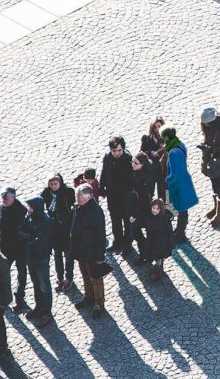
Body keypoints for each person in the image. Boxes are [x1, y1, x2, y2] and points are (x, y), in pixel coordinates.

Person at [70, 184, 107, 319]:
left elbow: (100, 236)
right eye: (77, 196)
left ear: (89, 196)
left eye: (79, 196)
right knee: (85, 275)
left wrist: (99, 257)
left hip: (92, 252)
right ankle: (88, 296)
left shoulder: (96, 212)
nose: (77, 199)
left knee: (96, 279)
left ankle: (99, 303)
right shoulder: (78, 207)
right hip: (81, 250)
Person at [20, 197, 53, 327]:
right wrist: (28, 237)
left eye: (30, 207)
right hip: (31, 257)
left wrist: (28, 239)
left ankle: (46, 312)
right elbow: (20, 230)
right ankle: (39, 307)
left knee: (44, 286)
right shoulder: (29, 217)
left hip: (41, 258)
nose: (28, 209)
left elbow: (40, 240)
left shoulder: (45, 221)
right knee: (36, 284)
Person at [161, 126, 197, 244]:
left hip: (178, 185)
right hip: (184, 182)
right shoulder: (180, 145)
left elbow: (174, 174)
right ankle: (180, 231)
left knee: (181, 209)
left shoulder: (172, 153)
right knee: (182, 209)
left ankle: (180, 233)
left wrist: (167, 180)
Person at [0, 187, 28, 313]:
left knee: (21, 273)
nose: (5, 200)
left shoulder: (22, 210)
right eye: (3, 198)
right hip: (6, 247)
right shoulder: (1, 207)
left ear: (13, 197)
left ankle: (19, 297)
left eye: (7, 198)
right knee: (3, 272)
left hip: (19, 248)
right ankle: (3, 295)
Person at [40, 174, 75, 292]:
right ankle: (60, 278)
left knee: (68, 255)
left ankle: (69, 278)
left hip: (66, 229)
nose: (54, 186)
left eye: (56, 184)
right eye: (51, 184)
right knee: (57, 255)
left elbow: (71, 207)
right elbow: (40, 202)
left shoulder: (68, 192)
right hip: (54, 230)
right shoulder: (47, 192)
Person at [100, 136, 135, 253]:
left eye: (119, 150)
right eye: (114, 151)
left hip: (125, 195)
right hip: (112, 194)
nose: (117, 153)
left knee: (126, 219)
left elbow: (132, 179)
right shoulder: (107, 157)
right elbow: (104, 171)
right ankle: (118, 241)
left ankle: (128, 243)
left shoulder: (128, 158)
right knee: (115, 219)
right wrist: (102, 187)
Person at [143, 199, 175, 282]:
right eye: (153, 208)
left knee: (158, 258)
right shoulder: (149, 216)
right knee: (155, 255)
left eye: (157, 209)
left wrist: (170, 243)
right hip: (152, 240)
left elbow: (169, 232)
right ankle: (159, 269)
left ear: (161, 210)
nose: (155, 210)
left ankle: (157, 273)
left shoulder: (164, 219)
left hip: (161, 242)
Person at [140, 118, 168, 201]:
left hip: (162, 169)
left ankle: (164, 210)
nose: (157, 129)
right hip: (151, 169)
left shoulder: (165, 138)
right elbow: (142, 151)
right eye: (154, 127)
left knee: (163, 192)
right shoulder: (146, 138)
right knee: (149, 192)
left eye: (159, 126)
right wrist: (152, 153)